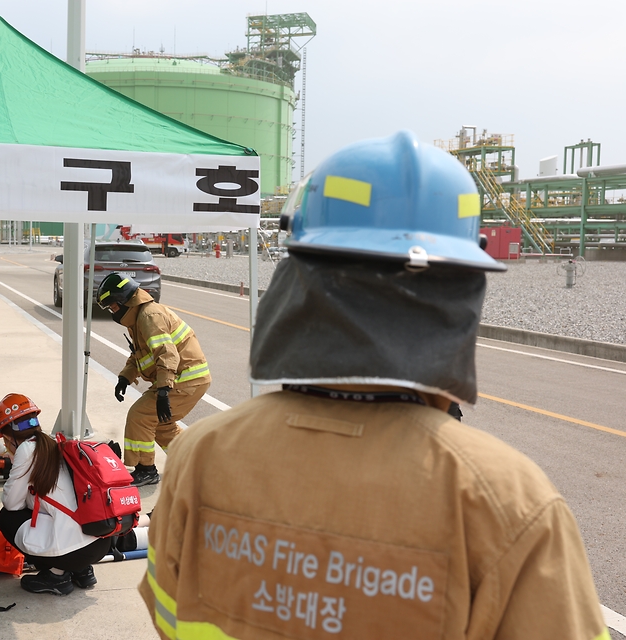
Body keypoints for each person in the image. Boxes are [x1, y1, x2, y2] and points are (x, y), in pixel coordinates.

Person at [139, 131, 609, 639]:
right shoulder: (508, 503)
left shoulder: (202, 456)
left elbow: (169, 614)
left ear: (297, 275)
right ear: (461, 291)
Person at [97, 273, 210, 486]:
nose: (112, 312)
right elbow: (140, 355)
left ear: (123, 301)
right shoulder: (139, 318)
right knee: (162, 425)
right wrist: (125, 378)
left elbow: (167, 354)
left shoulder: (149, 317)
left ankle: (145, 470)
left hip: (184, 379)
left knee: (140, 415)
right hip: (181, 378)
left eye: (112, 307)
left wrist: (164, 391)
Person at [0, 393, 112, 596]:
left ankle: (57, 576)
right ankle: (81, 571)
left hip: (75, 551)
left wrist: (13, 459)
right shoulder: (56, 443)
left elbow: (12, 504)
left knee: (6, 518)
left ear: (8, 435)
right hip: (100, 541)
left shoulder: (27, 450)